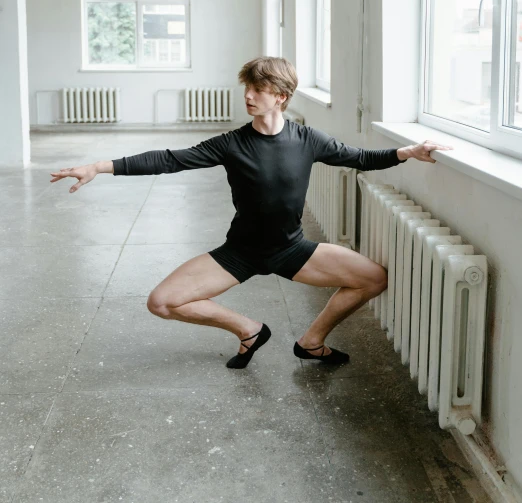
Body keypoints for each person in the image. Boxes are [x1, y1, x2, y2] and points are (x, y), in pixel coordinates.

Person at [50, 56, 452, 370]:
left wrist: (409, 152)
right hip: (240, 251)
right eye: (247, 87)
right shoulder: (231, 144)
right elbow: (169, 159)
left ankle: (311, 343)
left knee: (373, 279)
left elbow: (360, 157)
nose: (248, 96)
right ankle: (249, 330)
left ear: (280, 95)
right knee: (161, 302)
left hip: (292, 249)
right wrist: (99, 166)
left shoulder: (307, 139)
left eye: (258, 88)